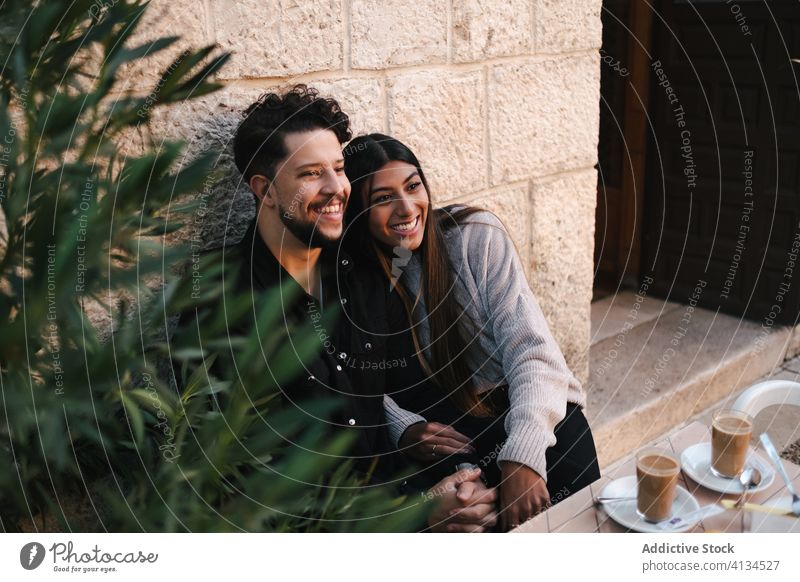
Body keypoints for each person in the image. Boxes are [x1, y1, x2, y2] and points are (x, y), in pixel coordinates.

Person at [215, 86, 495, 532]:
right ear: (265, 190)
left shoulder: (361, 272)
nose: (336, 189)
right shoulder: (220, 298)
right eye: (311, 174)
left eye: (340, 169)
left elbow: (381, 399)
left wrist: (455, 487)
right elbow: (253, 471)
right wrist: (413, 515)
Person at [342, 133, 601, 531]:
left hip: (533, 416)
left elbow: (532, 354)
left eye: (413, 186)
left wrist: (523, 457)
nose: (406, 207)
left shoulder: (474, 238)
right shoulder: (355, 282)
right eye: (382, 198)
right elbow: (358, 383)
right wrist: (402, 427)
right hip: (446, 447)